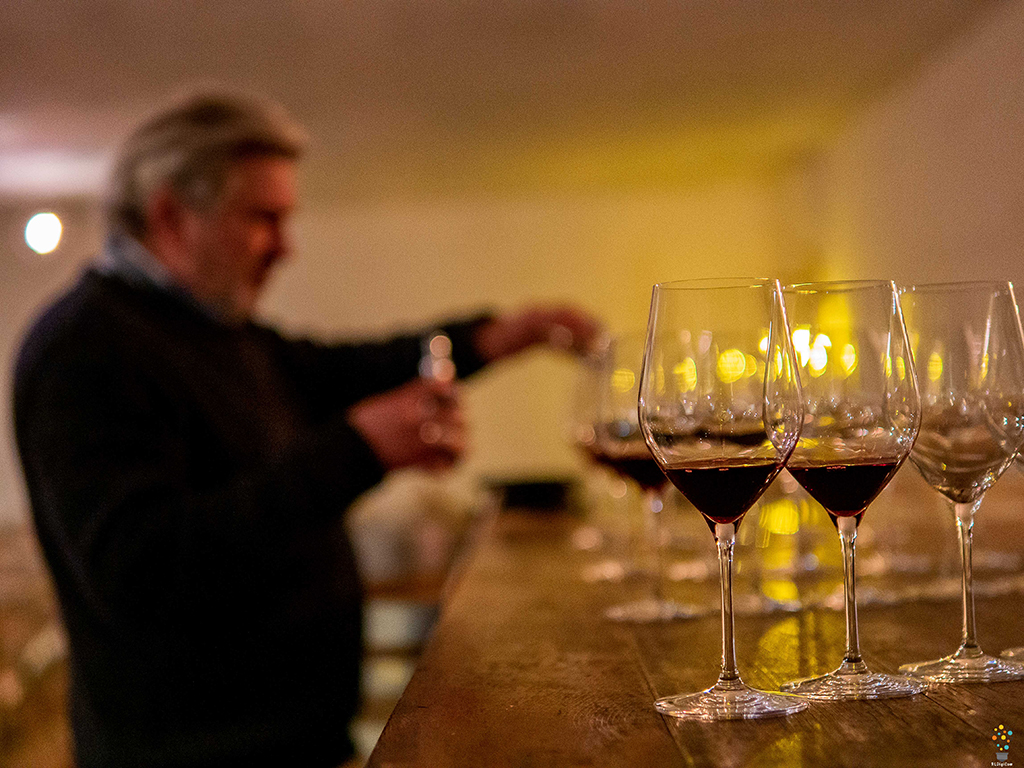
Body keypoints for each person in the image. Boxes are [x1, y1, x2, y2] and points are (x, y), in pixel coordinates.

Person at [12, 91, 600, 768]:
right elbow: (147, 567)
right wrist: (360, 448)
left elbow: (352, 367)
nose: (285, 248)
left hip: (287, 741)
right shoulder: (85, 349)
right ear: (171, 214)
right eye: (264, 219)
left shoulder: (217, 334)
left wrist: (499, 336)